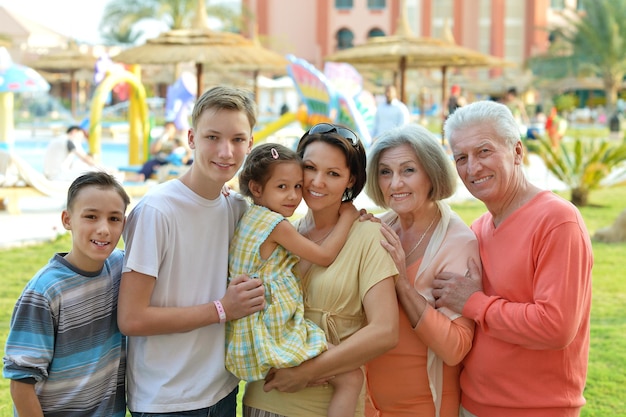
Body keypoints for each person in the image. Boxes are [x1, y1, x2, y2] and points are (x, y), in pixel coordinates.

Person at [433, 100, 593, 417]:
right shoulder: (477, 229)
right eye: (461, 157)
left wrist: (475, 302)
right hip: (472, 404)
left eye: (484, 152)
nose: (472, 167)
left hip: (537, 409)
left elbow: (556, 327)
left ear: (517, 152)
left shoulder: (558, 221)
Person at [118, 86, 267, 416]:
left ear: (250, 144)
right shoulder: (158, 211)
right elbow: (131, 317)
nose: (226, 151)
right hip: (168, 400)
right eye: (212, 137)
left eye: (237, 139)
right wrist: (222, 309)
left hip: (224, 390)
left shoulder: (236, 209)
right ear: (191, 138)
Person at [243, 123, 400, 417]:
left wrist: (307, 372)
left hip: (325, 407)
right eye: (310, 168)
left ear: (350, 180)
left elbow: (386, 331)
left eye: (333, 174)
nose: (317, 182)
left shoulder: (367, 236)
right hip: (264, 399)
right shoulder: (284, 231)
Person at [227, 142, 363, 417]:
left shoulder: (251, 217)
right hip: (274, 331)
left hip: (253, 330)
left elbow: (287, 269)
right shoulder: (277, 226)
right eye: (282, 187)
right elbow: (324, 256)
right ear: (256, 189)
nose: (293, 196)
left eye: (297, 186)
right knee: (352, 378)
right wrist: (348, 216)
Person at [363, 124, 479, 417]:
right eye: (385, 172)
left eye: (408, 170)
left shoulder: (458, 243)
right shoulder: (378, 228)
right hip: (367, 405)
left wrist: (403, 284)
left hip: (424, 406)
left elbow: (455, 348)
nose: (395, 183)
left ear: (432, 173)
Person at [3, 171, 131, 416]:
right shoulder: (44, 292)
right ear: (67, 219)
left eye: (114, 219)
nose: (104, 229)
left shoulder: (120, 268)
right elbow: (21, 383)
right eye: (91, 216)